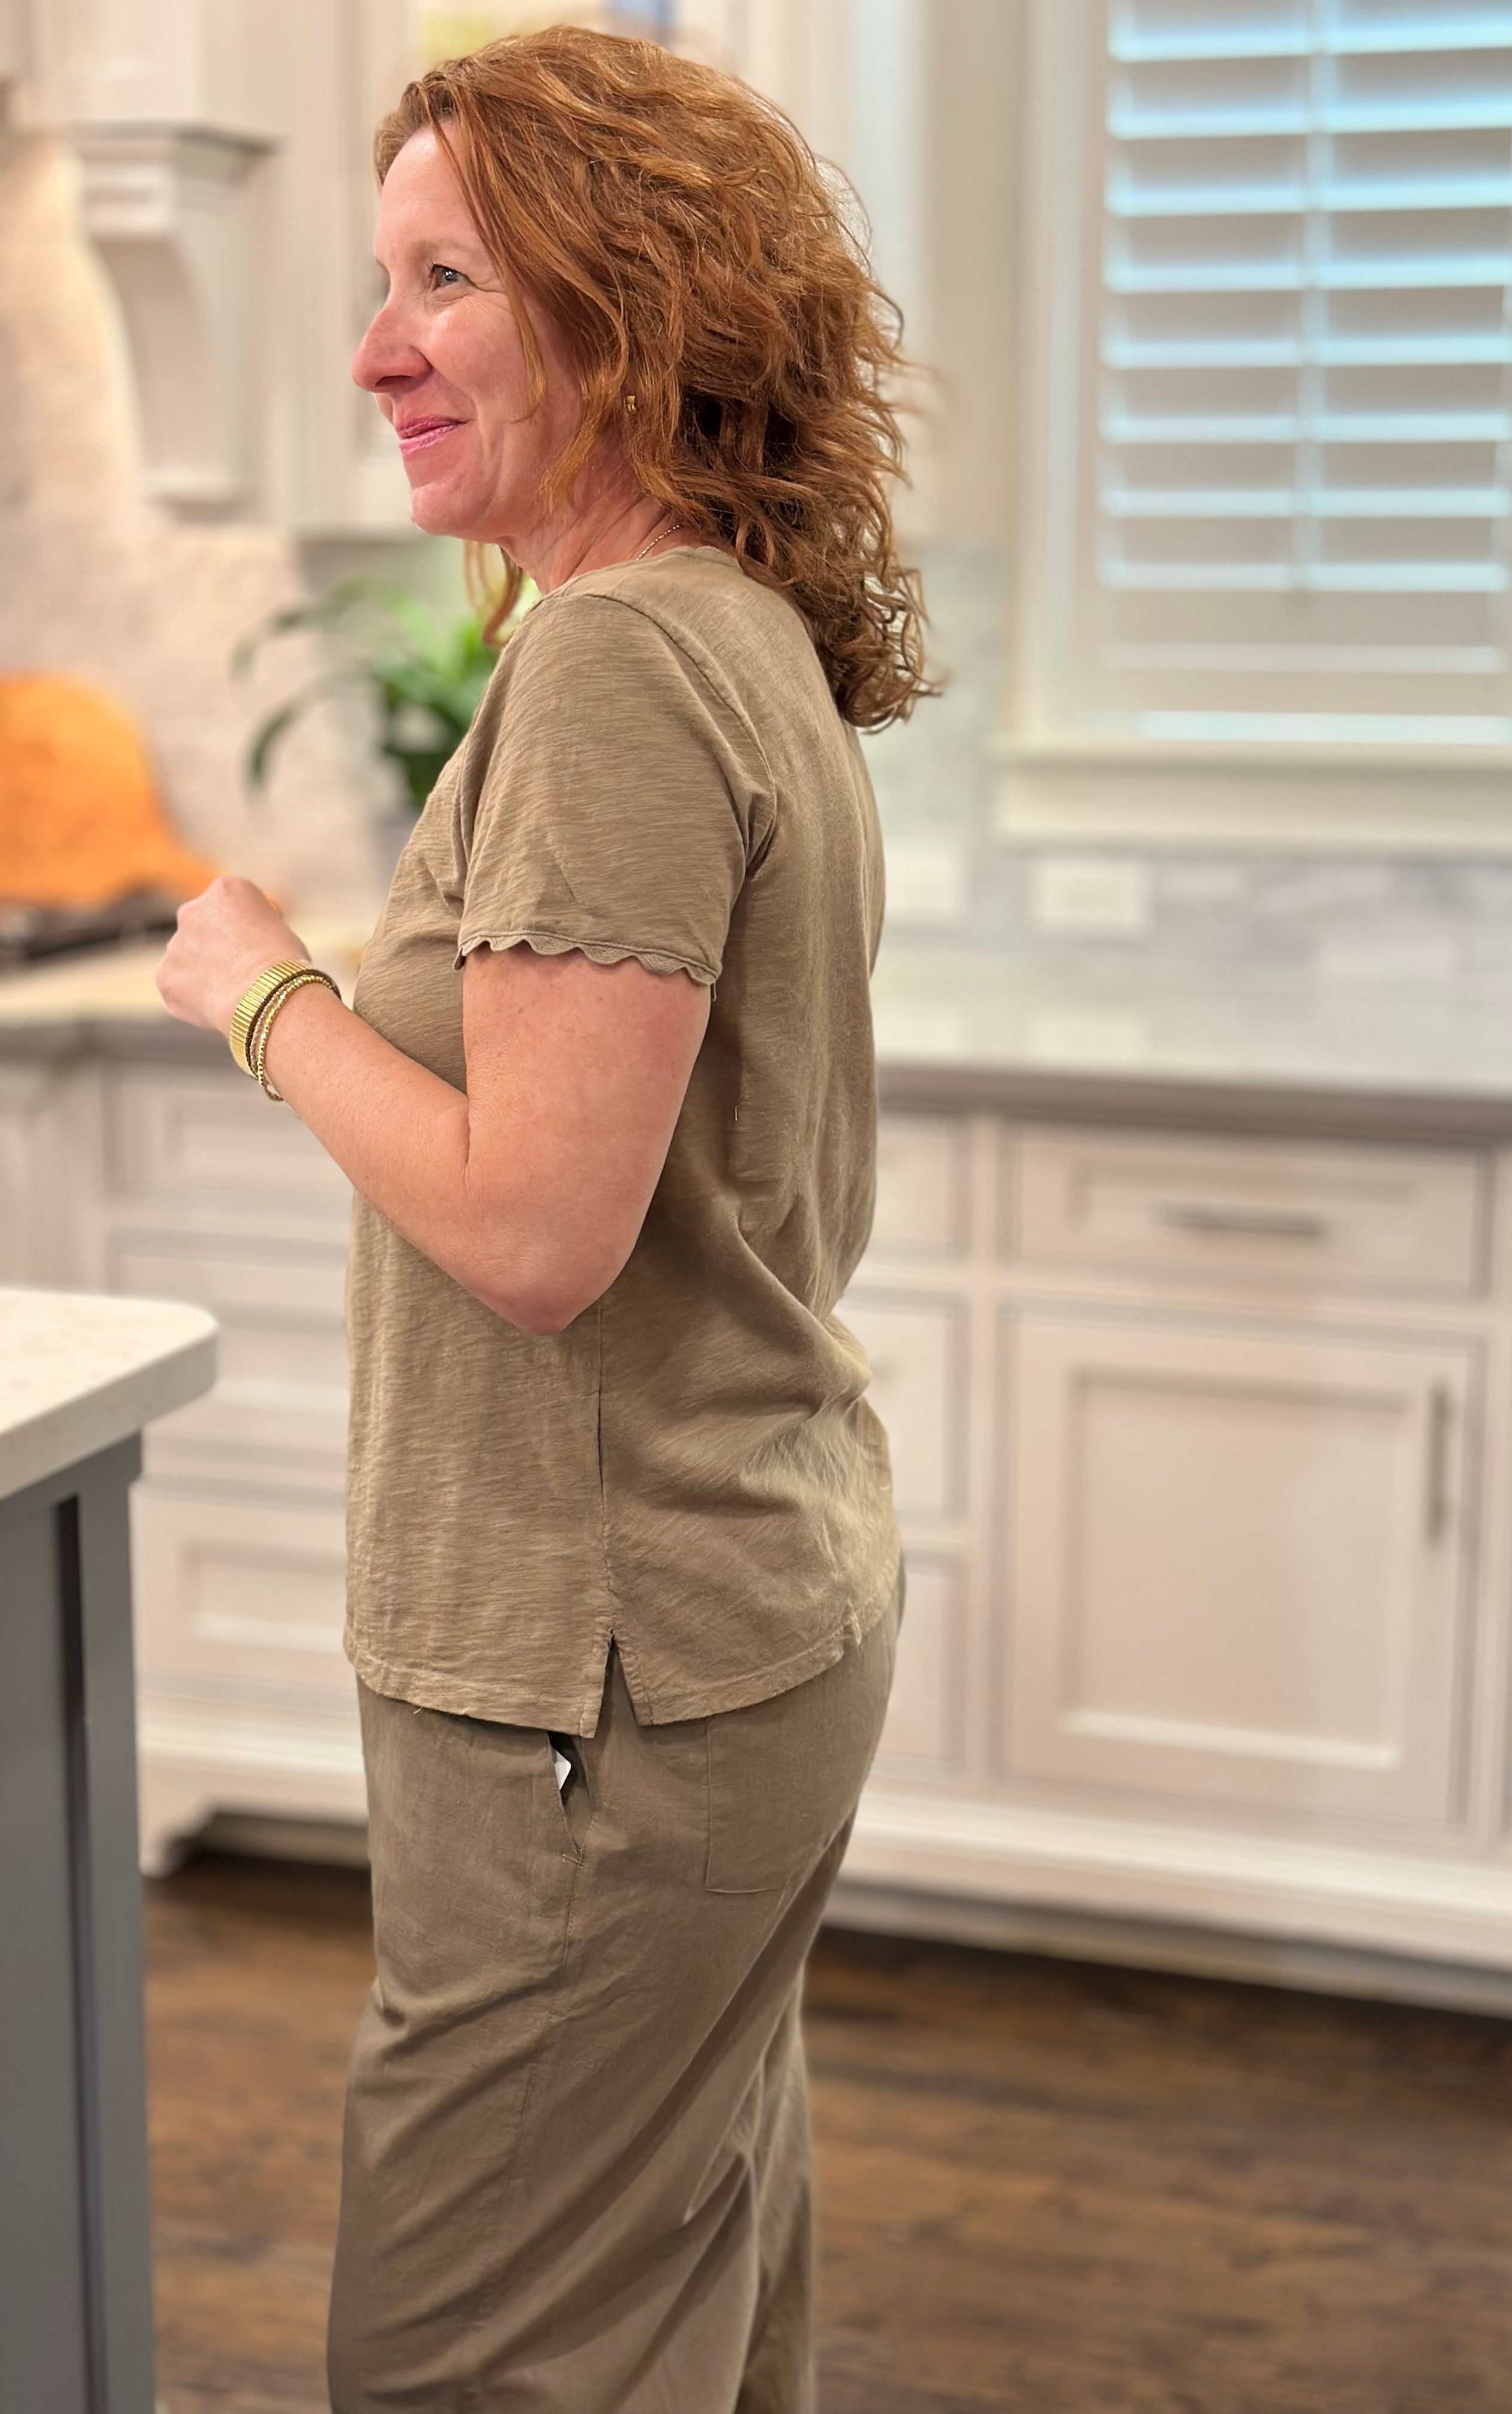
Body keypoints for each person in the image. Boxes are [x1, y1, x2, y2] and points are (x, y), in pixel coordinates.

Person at [155, 25, 930, 2409]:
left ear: (636, 309)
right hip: (721, 1619)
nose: (374, 350)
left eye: (446, 280)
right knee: (672, 2304)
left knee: (465, 2354)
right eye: (382, 281)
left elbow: (534, 1232)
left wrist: (263, 989)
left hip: (600, 1677)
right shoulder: (723, 631)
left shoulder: (616, 664)